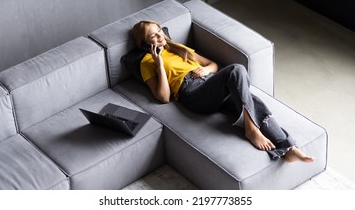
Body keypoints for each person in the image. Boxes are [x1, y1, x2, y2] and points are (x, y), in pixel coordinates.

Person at [132, 20, 314, 163]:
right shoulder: (146, 62)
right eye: (153, 36)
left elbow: (213, 65)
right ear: (145, 44)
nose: (159, 36)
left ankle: (289, 149)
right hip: (192, 93)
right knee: (236, 70)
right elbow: (163, 97)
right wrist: (159, 64)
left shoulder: (179, 48)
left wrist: (205, 70)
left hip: (210, 82)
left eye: (159, 31)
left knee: (252, 100)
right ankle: (251, 129)